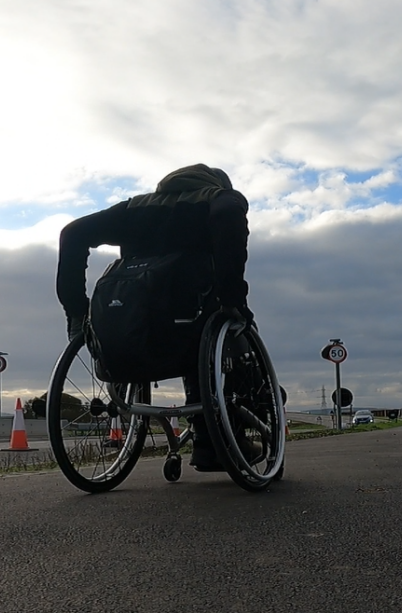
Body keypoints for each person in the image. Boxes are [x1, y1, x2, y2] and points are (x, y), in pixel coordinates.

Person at [56, 164, 255, 471]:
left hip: (134, 318)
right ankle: (219, 436)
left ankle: (205, 436)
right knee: (229, 327)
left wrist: (77, 312)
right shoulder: (219, 198)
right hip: (193, 316)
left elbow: (72, 233)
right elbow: (228, 216)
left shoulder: (135, 207)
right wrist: (233, 299)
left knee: (195, 329)